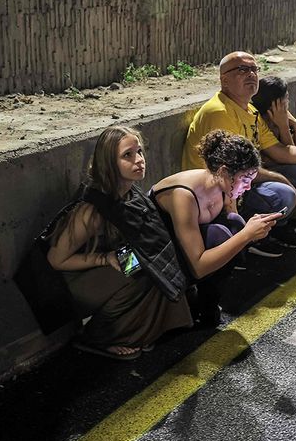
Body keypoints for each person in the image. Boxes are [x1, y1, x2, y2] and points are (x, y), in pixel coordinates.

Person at [47, 126, 193, 359]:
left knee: (154, 266)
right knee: (139, 270)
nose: (139, 160)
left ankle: (141, 332)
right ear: (109, 163)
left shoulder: (130, 193)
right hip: (75, 280)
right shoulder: (91, 210)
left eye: (140, 152)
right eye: (128, 155)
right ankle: (99, 337)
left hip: (107, 266)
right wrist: (104, 258)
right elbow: (56, 260)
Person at [182, 51, 296, 256]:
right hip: (218, 193)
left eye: (254, 69)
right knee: (285, 193)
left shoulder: (249, 110)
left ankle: (278, 228)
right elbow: (235, 170)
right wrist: (281, 178)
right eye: (242, 70)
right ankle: (250, 238)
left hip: (241, 182)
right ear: (224, 79)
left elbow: (280, 151)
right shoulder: (219, 111)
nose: (251, 74)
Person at [151, 130, 280, 323]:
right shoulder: (184, 195)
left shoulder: (224, 186)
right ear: (222, 172)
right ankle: (193, 299)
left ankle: (207, 300)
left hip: (190, 246)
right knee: (222, 235)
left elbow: (235, 224)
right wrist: (246, 235)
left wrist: (253, 229)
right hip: (159, 255)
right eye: (245, 180)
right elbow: (199, 267)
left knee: (235, 226)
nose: (248, 187)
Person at [251, 75, 296, 228]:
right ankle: (281, 225)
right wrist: (284, 128)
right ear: (277, 103)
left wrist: (295, 125)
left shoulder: (282, 117)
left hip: (282, 167)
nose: (288, 102)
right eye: (286, 98)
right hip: (261, 177)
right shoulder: (260, 122)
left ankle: (295, 219)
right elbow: (291, 158)